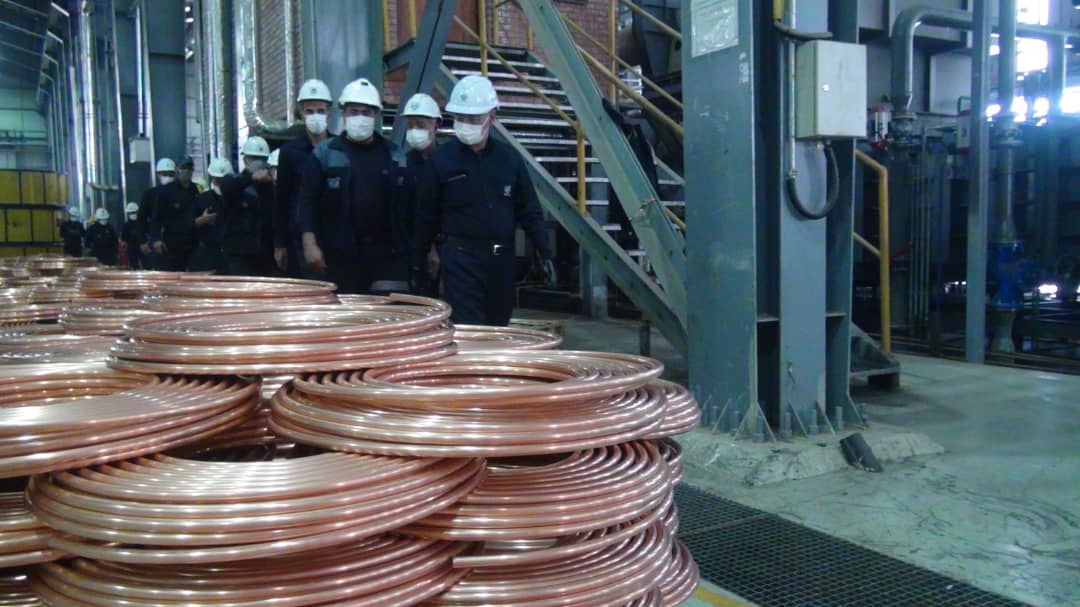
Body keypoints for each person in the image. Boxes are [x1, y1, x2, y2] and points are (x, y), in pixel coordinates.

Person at [413, 75, 555, 326]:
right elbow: (426, 215)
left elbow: (528, 208)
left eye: (473, 119)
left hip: (501, 258)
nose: (466, 124)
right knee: (468, 327)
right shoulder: (441, 161)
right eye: (461, 118)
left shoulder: (509, 160)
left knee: (498, 324)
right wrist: (420, 258)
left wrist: (545, 250)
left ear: (492, 116)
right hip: (460, 259)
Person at [296, 78, 412, 294]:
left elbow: (408, 207)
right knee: (347, 311)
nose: (360, 117)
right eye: (354, 112)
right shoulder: (325, 154)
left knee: (386, 311)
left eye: (366, 112)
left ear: (376, 114)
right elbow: (307, 201)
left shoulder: (395, 155)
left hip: (386, 256)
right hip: (340, 255)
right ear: (343, 113)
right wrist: (310, 244)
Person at [274, 79, 333, 276]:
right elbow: (282, 198)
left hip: (335, 235)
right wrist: (280, 243)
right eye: (310, 111)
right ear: (301, 112)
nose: (316, 116)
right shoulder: (290, 152)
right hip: (300, 238)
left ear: (329, 112)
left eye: (320, 110)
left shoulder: (339, 148)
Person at [401, 93, 443, 294]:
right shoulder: (403, 164)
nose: (414, 131)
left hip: (446, 248)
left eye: (420, 125)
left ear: (436, 125)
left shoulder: (448, 162)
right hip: (412, 248)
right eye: (410, 125)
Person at [220, 137, 275, 276]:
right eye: (254, 158)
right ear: (245, 160)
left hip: (264, 252)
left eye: (262, 159)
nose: (258, 162)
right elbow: (228, 188)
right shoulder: (234, 181)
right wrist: (249, 177)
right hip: (238, 252)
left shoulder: (270, 186)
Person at [150, 156, 200, 271]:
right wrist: (156, 239)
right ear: (177, 169)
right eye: (184, 167)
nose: (187, 170)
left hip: (193, 242)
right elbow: (156, 218)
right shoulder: (166, 191)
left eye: (189, 167)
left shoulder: (195, 189)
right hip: (172, 243)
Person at [188, 157, 232, 273]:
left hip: (233, 254)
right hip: (208, 255)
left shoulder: (238, 199)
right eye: (217, 180)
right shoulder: (201, 199)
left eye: (223, 180)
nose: (220, 183)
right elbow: (187, 226)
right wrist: (201, 220)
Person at [138, 158, 176, 269]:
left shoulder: (182, 193)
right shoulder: (150, 194)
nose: (167, 176)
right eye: (164, 173)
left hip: (179, 241)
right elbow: (141, 219)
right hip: (157, 241)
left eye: (170, 173)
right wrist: (143, 241)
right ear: (158, 174)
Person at [120, 202, 142, 268]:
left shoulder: (142, 223)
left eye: (134, 212)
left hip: (143, 247)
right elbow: (123, 239)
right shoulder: (126, 225)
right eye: (131, 213)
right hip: (132, 249)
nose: (133, 214)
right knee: (134, 266)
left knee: (147, 265)